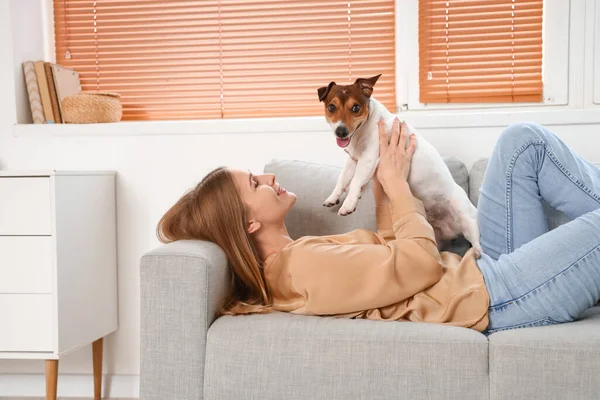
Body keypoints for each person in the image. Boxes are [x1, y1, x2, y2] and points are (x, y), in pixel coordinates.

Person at [157, 119, 600, 333]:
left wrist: (389, 183)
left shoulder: (300, 254)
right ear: (249, 222)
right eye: (255, 183)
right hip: (499, 297)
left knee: (522, 144)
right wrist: (396, 186)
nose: (269, 178)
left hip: (482, 275)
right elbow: (417, 266)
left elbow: (390, 257)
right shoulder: (301, 269)